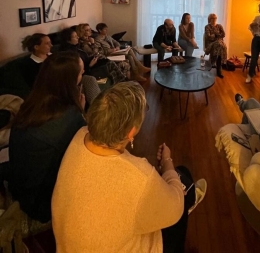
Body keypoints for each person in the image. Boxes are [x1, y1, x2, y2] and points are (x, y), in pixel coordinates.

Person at [52, 82, 207, 253]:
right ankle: (189, 197)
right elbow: (175, 209)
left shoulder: (81, 134)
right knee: (182, 186)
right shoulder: (139, 176)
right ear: (131, 132)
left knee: (178, 181)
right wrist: (167, 162)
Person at [9, 52, 86, 224]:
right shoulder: (69, 118)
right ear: (69, 80)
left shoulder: (32, 104)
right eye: (81, 73)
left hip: (19, 187)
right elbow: (79, 156)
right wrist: (80, 112)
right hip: (41, 201)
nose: (83, 75)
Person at [59, 28, 130, 85]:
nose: (77, 37)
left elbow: (88, 57)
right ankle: (124, 83)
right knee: (111, 64)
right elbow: (78, 70)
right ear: (68, 40)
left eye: (77, 35)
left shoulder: (77, 47)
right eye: (75, 37)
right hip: (89, 71)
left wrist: (94, 58)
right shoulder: (70, 54)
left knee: (109, 63)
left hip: (93, 64)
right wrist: (90, 65)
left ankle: (122, 84)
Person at [204, 13, 227, 78]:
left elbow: (223, 34)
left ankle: (215, 62)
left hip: (219, 42)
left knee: (222, 46)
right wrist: (216, 35)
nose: (214, 19)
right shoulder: (207, 26)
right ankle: (217, 65)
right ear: (209, 19)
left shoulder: (219, 26)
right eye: (212, 18)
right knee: (219, 45)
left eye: (215, 18)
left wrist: (215, 34)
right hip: (211, 43)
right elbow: (209, 37)